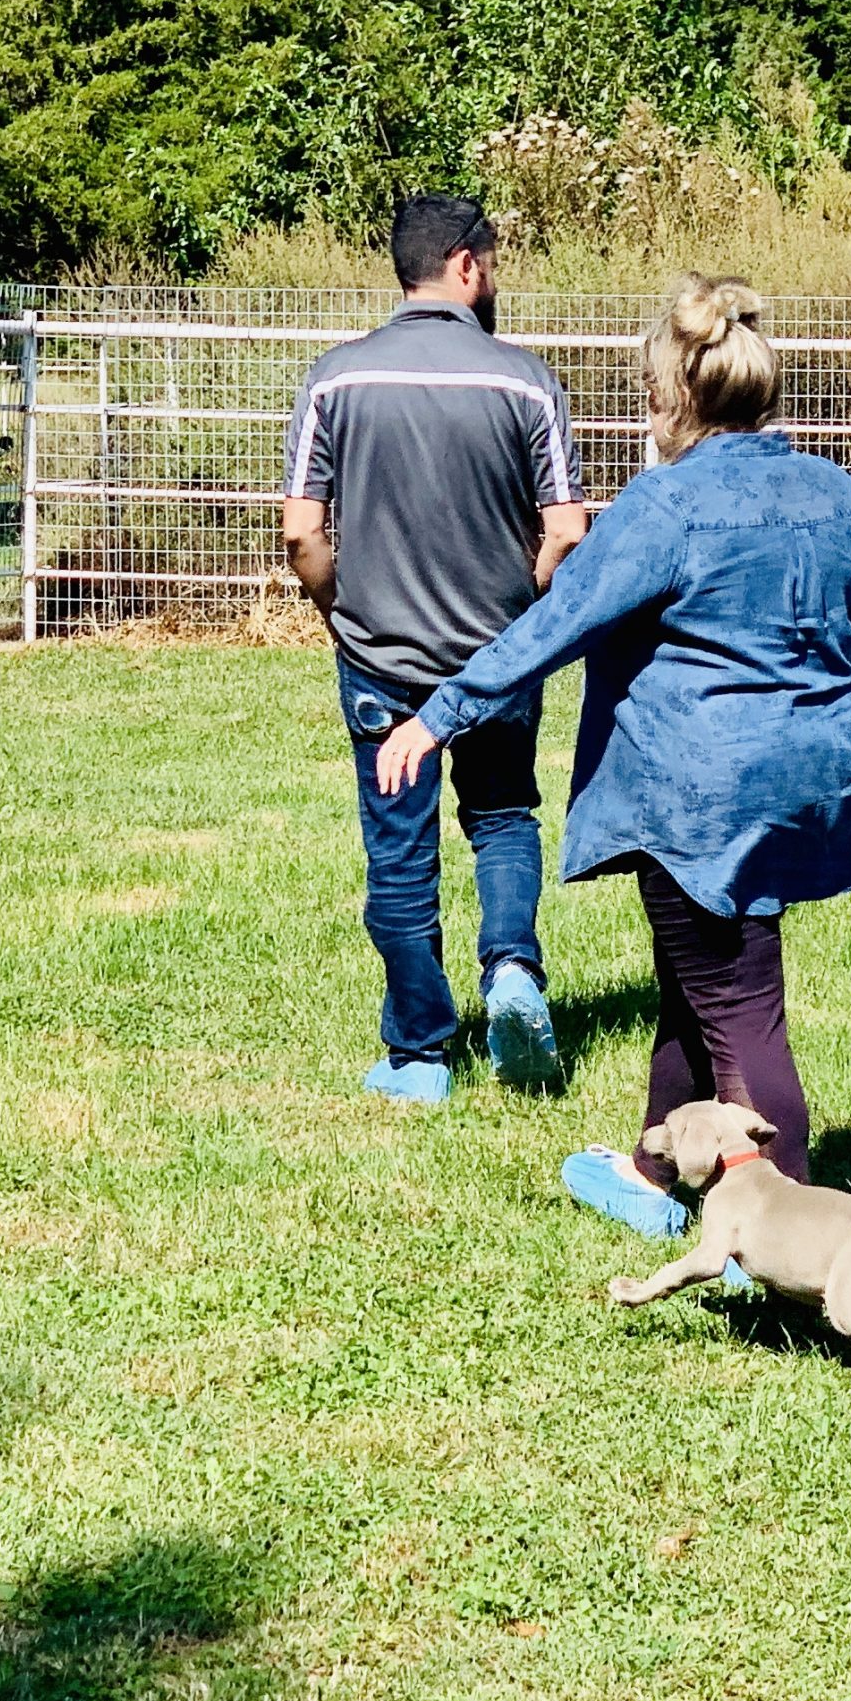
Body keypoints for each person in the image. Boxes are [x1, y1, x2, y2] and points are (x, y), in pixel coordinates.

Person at [375, 274, 851, 1234]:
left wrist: (438, 715)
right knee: (699, 976)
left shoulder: (665, 506)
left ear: (669, 398)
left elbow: (558, 622)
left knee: (740, 1008)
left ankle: (796, 1237)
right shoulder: (833, 491)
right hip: (811, 783)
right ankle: (655, 1174)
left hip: (700, 797)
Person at [282, 194, 589, 1105]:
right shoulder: (526, 380)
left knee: (398, 854)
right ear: (464, 265)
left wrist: (341, 607)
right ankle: (511, 974)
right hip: (495, 657)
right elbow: (566, 528)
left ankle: (419, 1056)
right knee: (500, 817)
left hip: (379, 662)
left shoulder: (334, 379)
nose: (492, 277)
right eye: (490, 262)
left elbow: (301, 533)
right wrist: (521, 608)